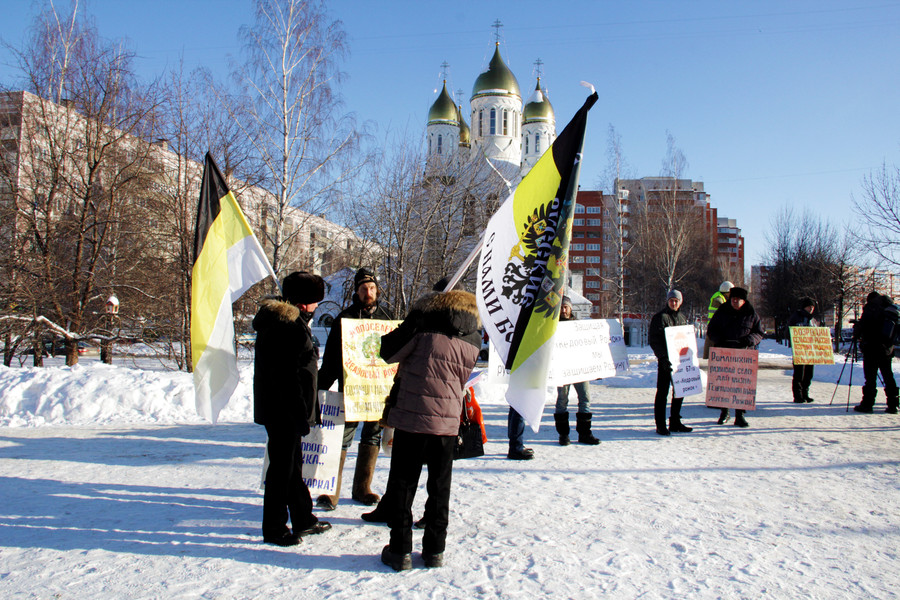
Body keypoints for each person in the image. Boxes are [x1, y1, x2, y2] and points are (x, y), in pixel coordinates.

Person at [378, 288, 481, 571]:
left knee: (403, 483)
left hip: (412, 416)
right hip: (447, 421)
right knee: (439, 487)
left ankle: (400, 550)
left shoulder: (422, 324)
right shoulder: (473, 335)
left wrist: (412, 320)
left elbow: (387, 351)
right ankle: (435, 549)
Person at [253, 271, 331, 546]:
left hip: (285, 409)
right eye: (314, 302)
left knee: (292, 466)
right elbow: (286, 377)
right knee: (281, 470)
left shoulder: (291, 322)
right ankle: (274, 528)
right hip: (284, 410)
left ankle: (303, 518)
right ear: (302, 303)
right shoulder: (286, 326)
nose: (317, 307)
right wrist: (299, 414)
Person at [316, 267, 395, 511]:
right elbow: (330, 358)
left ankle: (363, 488)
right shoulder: (344, 318)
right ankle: (331, 491)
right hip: (350, 389)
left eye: (372, 288)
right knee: (341, 437)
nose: (368, 292)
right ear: (357, 291)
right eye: (364, 289)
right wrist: (320, 387)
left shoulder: (387, 316)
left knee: (372, 434)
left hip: (378, 391)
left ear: (377, 290)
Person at [706, 286, 764, 428]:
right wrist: (718, 339)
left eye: (738, 300)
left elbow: (759, 333)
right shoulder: (722, 311)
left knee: (741, 385)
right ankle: (724, 413)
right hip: (724, 353)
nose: (735, 302)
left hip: (743, 354)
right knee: (724, 384)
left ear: (744, 301)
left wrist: (750, 340)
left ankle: (740, 415)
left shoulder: (751, 314)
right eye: (733, 299)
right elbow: (711, 329)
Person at [553, 296, 600, 445]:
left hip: (580, 368)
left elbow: (589, 345)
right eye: (561, 307)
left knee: (585, 399)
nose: (563, 310)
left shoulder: (579, 326)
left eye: (566, 307)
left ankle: (585, 433)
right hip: (563, 368)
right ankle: (563, 435)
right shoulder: (553, 327)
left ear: (571, 308)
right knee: (562, 401)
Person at [648, 290, 693, 436]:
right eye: (671, 300)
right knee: (662, 393)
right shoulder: (660, 317)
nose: (673, 303)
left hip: (680, 362)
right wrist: (662, 357)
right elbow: (654, 340)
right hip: (665, 361)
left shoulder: (682, 318)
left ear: (680, 302)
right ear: (667, 301)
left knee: (680, 391)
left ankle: (675, 421)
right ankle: (660, 425)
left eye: (676, 300)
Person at [853, 292, 899, 414]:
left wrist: (857, 332)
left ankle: (867, 404)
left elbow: (862, 326)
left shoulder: (871, 308)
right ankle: (893, 404)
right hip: (887, 349)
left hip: (872, 348)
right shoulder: (889, 309)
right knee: (888, 376)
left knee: (870, 378)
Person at [787, 297, 819, 403]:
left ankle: (805, 393)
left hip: (810, 350)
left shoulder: (813, 319)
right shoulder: (796, 317)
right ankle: (798, 395)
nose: (811, 309)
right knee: (799, 373)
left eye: (812, 307)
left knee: (809, 373)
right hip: (799, 350)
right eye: (809, 306)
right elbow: (788, 332)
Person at [703, 281, 733, 359]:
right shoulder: (718, 300)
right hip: (715, 332)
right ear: (727, 292)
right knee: (712, 359)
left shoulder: (719, 298)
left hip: (715, 331)